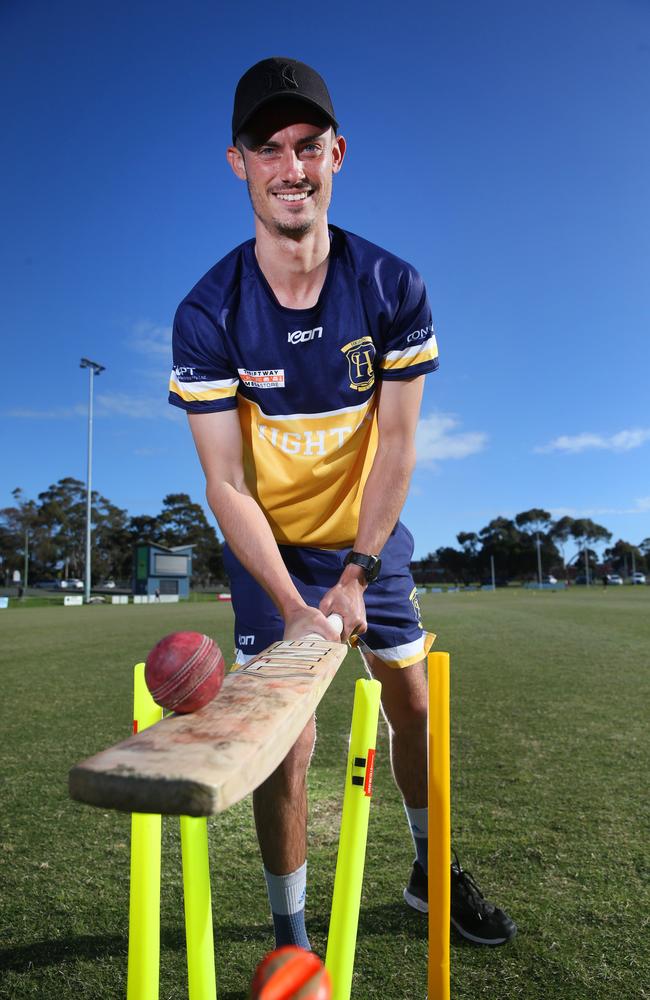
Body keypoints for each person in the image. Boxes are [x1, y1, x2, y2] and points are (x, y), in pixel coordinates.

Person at [169, 56, 516, 948]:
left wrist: (358, 573)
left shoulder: (392, 287)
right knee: (287, 743)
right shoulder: (208, 313)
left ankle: (427, 873)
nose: (292, 166)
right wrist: (292, 604)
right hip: (271, 550)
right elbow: (226, 482)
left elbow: (397, 446)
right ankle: (292, 934)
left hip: (366, 538)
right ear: (238, 163)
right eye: (270, 148)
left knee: (413, 706)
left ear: (338, 154)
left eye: (309, 145)